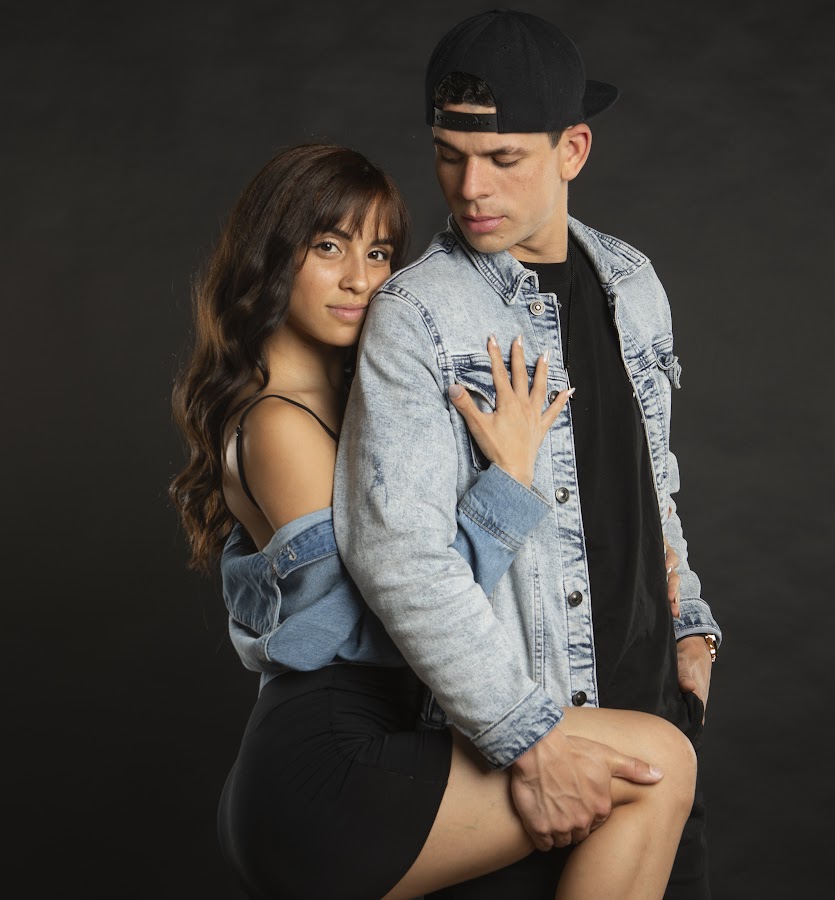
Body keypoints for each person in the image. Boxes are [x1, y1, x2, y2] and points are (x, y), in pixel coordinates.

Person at [169, 142, 697, 900]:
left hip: (387, 738)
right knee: (657, 764)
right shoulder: (278, 423)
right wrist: (508, 483)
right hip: (329, 763)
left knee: (649, 766)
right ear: (271, 256)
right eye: (328, 247)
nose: (360, 279)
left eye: (379, 252)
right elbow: (395, 611)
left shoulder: (347, 401)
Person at [334, 9, 723, 899]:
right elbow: (397, 555)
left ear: (572, 149)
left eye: (504, 158)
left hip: (658, 732)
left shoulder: (633, 282)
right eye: (450, 155)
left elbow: (654, 478)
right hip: (526, 749)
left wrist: (691, 628)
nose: (470, 188)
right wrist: (528, 739)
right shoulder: (419, 315)